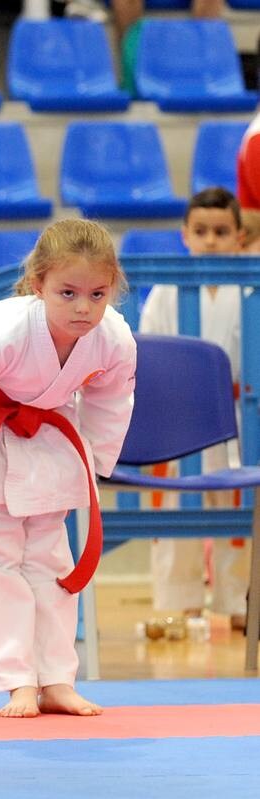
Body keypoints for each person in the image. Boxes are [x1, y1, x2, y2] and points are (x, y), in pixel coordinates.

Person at [0, 219, 136, 718]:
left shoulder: (113, 338)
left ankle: (57, 679)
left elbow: (111, 399)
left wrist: (98, 463)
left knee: (53, 567)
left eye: (97, 294)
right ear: (38, 285)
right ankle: (16, 681)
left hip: (50, 442)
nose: (83, 308)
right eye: (68, 293)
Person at [137, 188, 248, 630]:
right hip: (177, 417)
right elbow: (147, 352)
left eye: (221, 232)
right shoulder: (166, 289)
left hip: (241, 416)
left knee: (238, 509)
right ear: (184, 234)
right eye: (201, 231)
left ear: (240, 236)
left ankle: (240, 600)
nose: (211, 241)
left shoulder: (251, 287)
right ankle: (176, 603)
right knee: (173, 510)